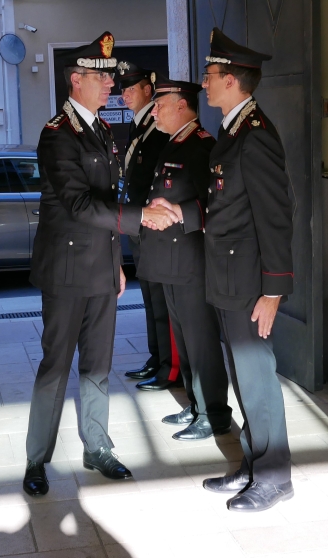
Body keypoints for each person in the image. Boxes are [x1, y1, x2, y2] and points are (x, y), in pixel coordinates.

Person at [23, 32, 180, 496]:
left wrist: (116, 262)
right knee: (55, 366)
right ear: (76, 81)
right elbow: (77, 204)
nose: (110, 84)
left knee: (98, 365)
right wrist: (141, 217)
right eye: (101, 77)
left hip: (101, 269)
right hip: (67, 271)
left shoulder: (104, 130)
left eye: (111, 77)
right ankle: (36, 460)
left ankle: (97, 446)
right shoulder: (57, 135)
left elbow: (107, 201)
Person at [194, 27, 294, 512]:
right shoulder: (234, 130)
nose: (206, 83)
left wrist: (273, 291)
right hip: (228, 280)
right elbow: (224, 207)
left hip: (250, 284)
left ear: (232, 80)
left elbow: (276, 216)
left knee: (257, 377)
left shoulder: (255, 136)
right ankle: (255, 464)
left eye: (211, 75)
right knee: (242, 376)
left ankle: (275, 476)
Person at [139, 75, 231, 440]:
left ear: (182, 105)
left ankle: (215, 414)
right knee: (184, 337)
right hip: (172, 263)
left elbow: (216, 203)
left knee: (201, 339)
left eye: (161, 104)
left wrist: (180, 211)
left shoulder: (200, 146)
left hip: (192, 261)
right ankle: (195, 405)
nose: (155, 110)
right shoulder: (173, 143)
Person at [116, 60, 181, 391]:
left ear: (148, 89)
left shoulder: (157, 129)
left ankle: (171, 367)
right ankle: (157, 358)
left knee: (161, 300)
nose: (125, 95)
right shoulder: (138, 126)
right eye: (123, 89)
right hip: (139, 226)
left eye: (132, 88)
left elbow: (160, 181)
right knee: (150, 298)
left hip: (155, 227)